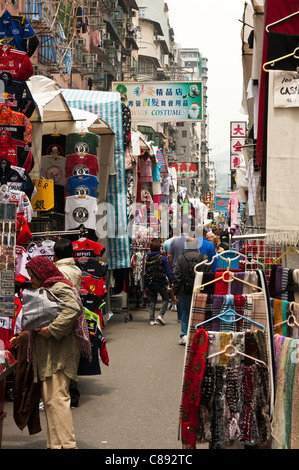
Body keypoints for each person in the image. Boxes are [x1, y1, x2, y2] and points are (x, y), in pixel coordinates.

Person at [10, 256, 91, 449]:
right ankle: (55, 445)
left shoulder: (59, 287)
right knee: (51, 402)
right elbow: (41, 319)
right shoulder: (48, 289)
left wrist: (52, 330)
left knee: (57, 400)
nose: (31, 280)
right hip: (49, 354)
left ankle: (68, 445)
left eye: (33, 276)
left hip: (59, 354)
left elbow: (73, 310)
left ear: (42, 273)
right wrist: (23, 337)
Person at [54, 238, 83, 407]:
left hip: (62, 314)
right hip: (75, 314)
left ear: (56, 254)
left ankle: (67, 394)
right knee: (72, 353)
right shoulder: (76, 269)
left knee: (61, 356)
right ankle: (72, 392)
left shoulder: (59, 271)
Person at [173, 238, 213, 345]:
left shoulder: (181, 258)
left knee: (185, 311)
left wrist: (175, 291)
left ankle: (184, 334)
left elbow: (177, 276)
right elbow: (209, 275)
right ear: (197, 246)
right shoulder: (204, 258)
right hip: (201, 289)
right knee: (200, 312)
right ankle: (198, 333)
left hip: (185, 290)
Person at [144, 239, 173, 325]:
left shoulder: (147, 258)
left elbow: (146, 272)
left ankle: (152, 319)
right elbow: (168, 271)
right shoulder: (163, 258)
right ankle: (161, 315)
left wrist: (145, 284)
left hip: (151, 283)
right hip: (161, 282)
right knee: (165, 298)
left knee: (152, 300)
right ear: (159, 248)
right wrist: (171, 281)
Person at [167, 224, 191, 321]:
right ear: (188, 230)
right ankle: (188, 314)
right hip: (189, 268)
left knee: (179, 291)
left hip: (176, 267)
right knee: (188, 290)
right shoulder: (191, 240)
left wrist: (171, 266)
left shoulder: (174, 241)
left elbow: (169, 256)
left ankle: (180, 316)